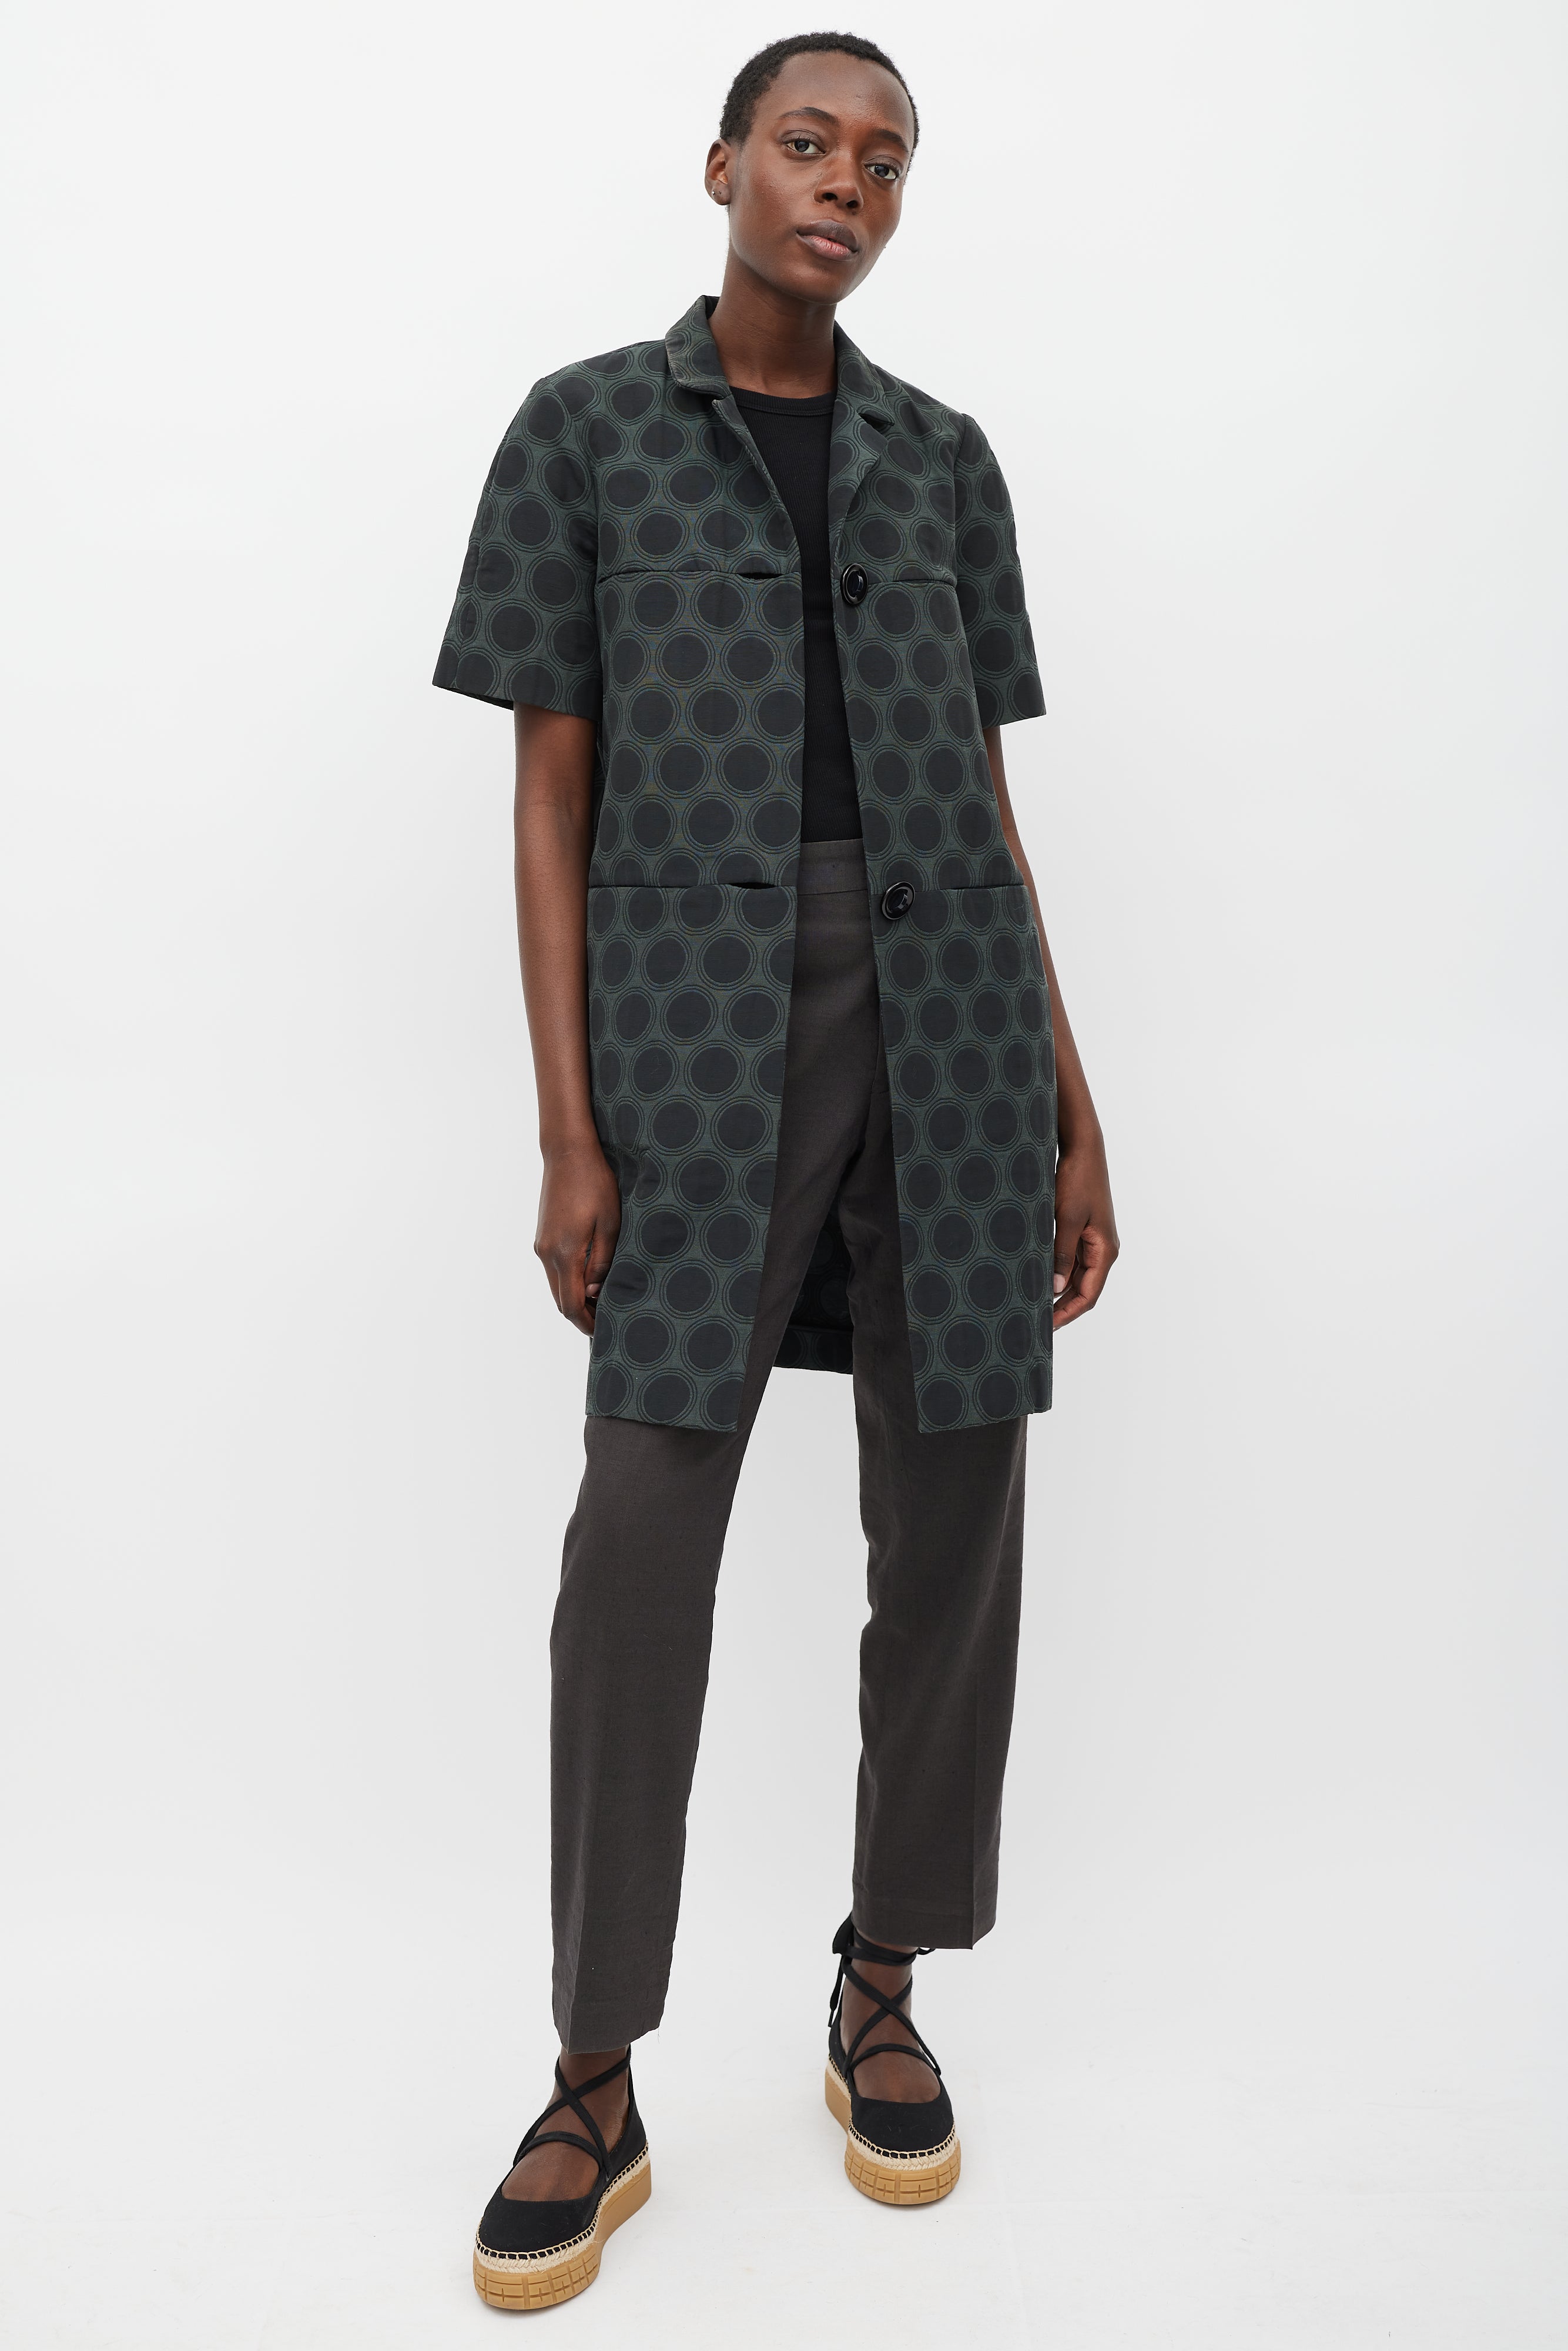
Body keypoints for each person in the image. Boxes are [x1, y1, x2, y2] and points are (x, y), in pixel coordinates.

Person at [433, 29, 1118, 2310]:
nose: (846, 185)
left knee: (956, 1508)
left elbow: (985, 806)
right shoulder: (583, 432)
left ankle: (881, 1978)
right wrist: (567, 1123)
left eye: (885, 161)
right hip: (695, 1043)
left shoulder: (944, 460)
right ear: (721, 164)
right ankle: (592, 2071)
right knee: (640, 1532)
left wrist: (1068, 1096)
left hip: (954, 1016)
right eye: (808, 145)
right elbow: (547, 791)